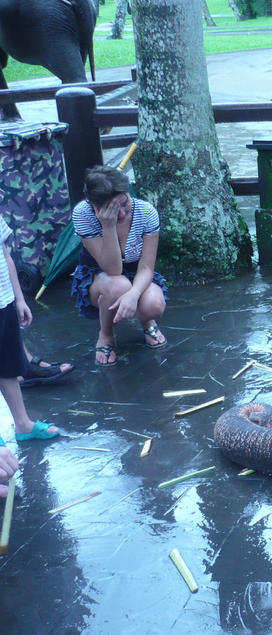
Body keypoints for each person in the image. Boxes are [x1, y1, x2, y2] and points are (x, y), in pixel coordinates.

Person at [70, 165, 169, 366]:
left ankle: (147, 320)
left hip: (136, 273)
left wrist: (134, 295)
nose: (122, 213)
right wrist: (108, 226)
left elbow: (146, 267)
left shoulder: (146, 212)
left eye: (124, 203)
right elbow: (112, 269)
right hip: (100, 276)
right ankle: (106, 334)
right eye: (113, 209)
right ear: (95, 206)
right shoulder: (83, 214)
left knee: (154, 304)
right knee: (118, 284)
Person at [0, 214, 60, 449]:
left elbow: (6, 256)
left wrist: (19, 299)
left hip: (3, 302)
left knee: (7, 366)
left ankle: (23, 423)